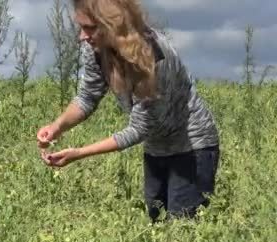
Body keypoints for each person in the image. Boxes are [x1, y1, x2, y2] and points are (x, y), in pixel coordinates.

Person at [36, 0, 220, 222]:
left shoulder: (155, 56)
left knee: (183, 228)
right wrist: (56, 127)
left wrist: (79, 154)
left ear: (113, 24)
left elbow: (139, 129)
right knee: (156, 223)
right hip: (156, 147)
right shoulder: (96, 47)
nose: (82, 36)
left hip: (192, 147)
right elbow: (87, 96)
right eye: (81, 27)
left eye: (90, 28)